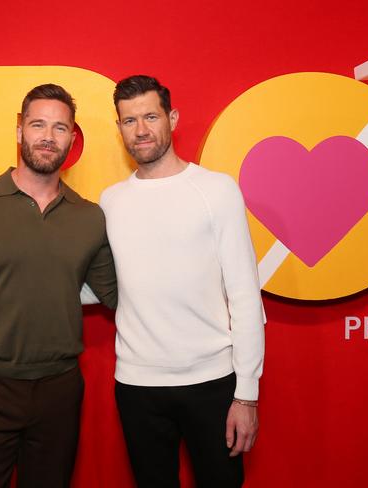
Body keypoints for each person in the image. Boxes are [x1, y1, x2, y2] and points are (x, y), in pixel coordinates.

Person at [0, 83, 117, 488]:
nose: (48, 136)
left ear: (72, 138)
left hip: (60, 392)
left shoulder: (89, 217)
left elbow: (119, 295)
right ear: (19, 132)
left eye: (60, 128)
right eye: (38, 124)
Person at [99, 75, 265, 488]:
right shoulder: (110, 201)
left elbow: (245, 296)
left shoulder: (216, 190)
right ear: (118, 127)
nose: (141, 130)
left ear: (172, 118)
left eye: (151, 116)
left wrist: (246, 394)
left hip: (212, 383)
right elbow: (106, 282)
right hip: (137, 385)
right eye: (129, 120)